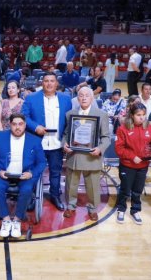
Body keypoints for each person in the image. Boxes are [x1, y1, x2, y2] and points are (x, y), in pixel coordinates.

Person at [0, 113, 46, 238]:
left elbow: (42, 162)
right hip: (5, 173)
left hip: (24, 175)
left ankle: (17, 220)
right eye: (14, 124)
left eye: (20, 124)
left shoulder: (34, 140)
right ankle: (6, 219)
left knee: (27, 189)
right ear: (10, 125)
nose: (17, 127)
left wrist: (31, 174)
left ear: (25, 125)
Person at [22, 72, 72, 211]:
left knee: (55, 172)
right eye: (46, 81)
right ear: (41, 83)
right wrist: (35, 126)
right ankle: (31, 197)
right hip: (37, 142)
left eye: (52, 81)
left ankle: (55, 195)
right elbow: (24, 116)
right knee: (34, 171)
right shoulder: (31, 98)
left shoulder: (66, 99)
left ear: (57, 83)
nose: (49, 83)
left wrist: (67, 140)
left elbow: (70, 121)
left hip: (57, 143)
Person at [62, 87, 110, 221]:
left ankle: (93, 209)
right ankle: (71, 206)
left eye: (86, 96)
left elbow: (106, 137)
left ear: (92, 98)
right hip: (74, 155)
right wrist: (64, 144)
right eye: (81, 96)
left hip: (92, 156)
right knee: (71, 184)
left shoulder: (101, 114)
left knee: (93, 186)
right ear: (77, 98)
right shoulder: (70, 114)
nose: (83, 98)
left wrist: (100, 149)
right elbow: (66, 134)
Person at [116, 103, 151, 225]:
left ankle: (135, 210)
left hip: (143, 166)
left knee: (138, 190)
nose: (142, 118)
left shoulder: (149, 128)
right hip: (127, 165)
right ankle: (121, 209)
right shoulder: (123, 129)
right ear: (132, 115)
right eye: (138, 115)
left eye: (143, 115)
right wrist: (132, 157)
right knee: (125, 189)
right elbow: (119, 149)